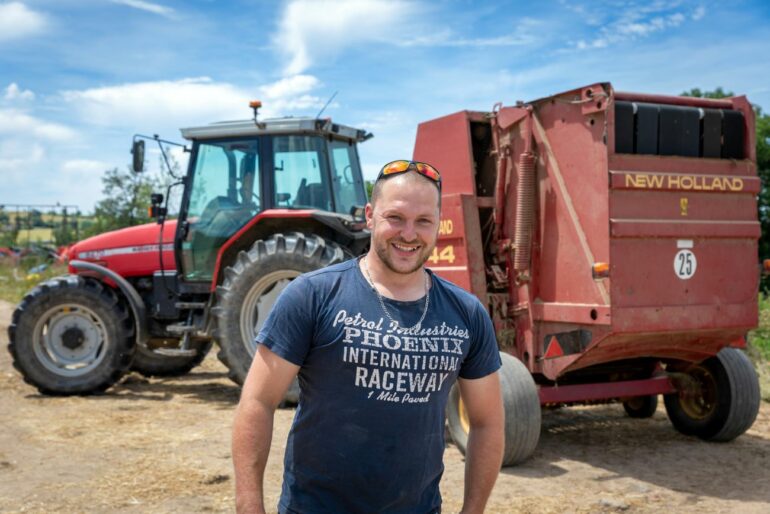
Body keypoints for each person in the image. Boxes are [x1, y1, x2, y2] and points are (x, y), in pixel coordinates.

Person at [232, 160, 505, 514]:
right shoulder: (312, 296)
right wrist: (249, 507)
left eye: (424, 221)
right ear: (370, 215)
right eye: (396, 218)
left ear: (438, 224)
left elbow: (487, 422)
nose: (409, 234)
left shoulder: (466, 314)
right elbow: (257, 402)